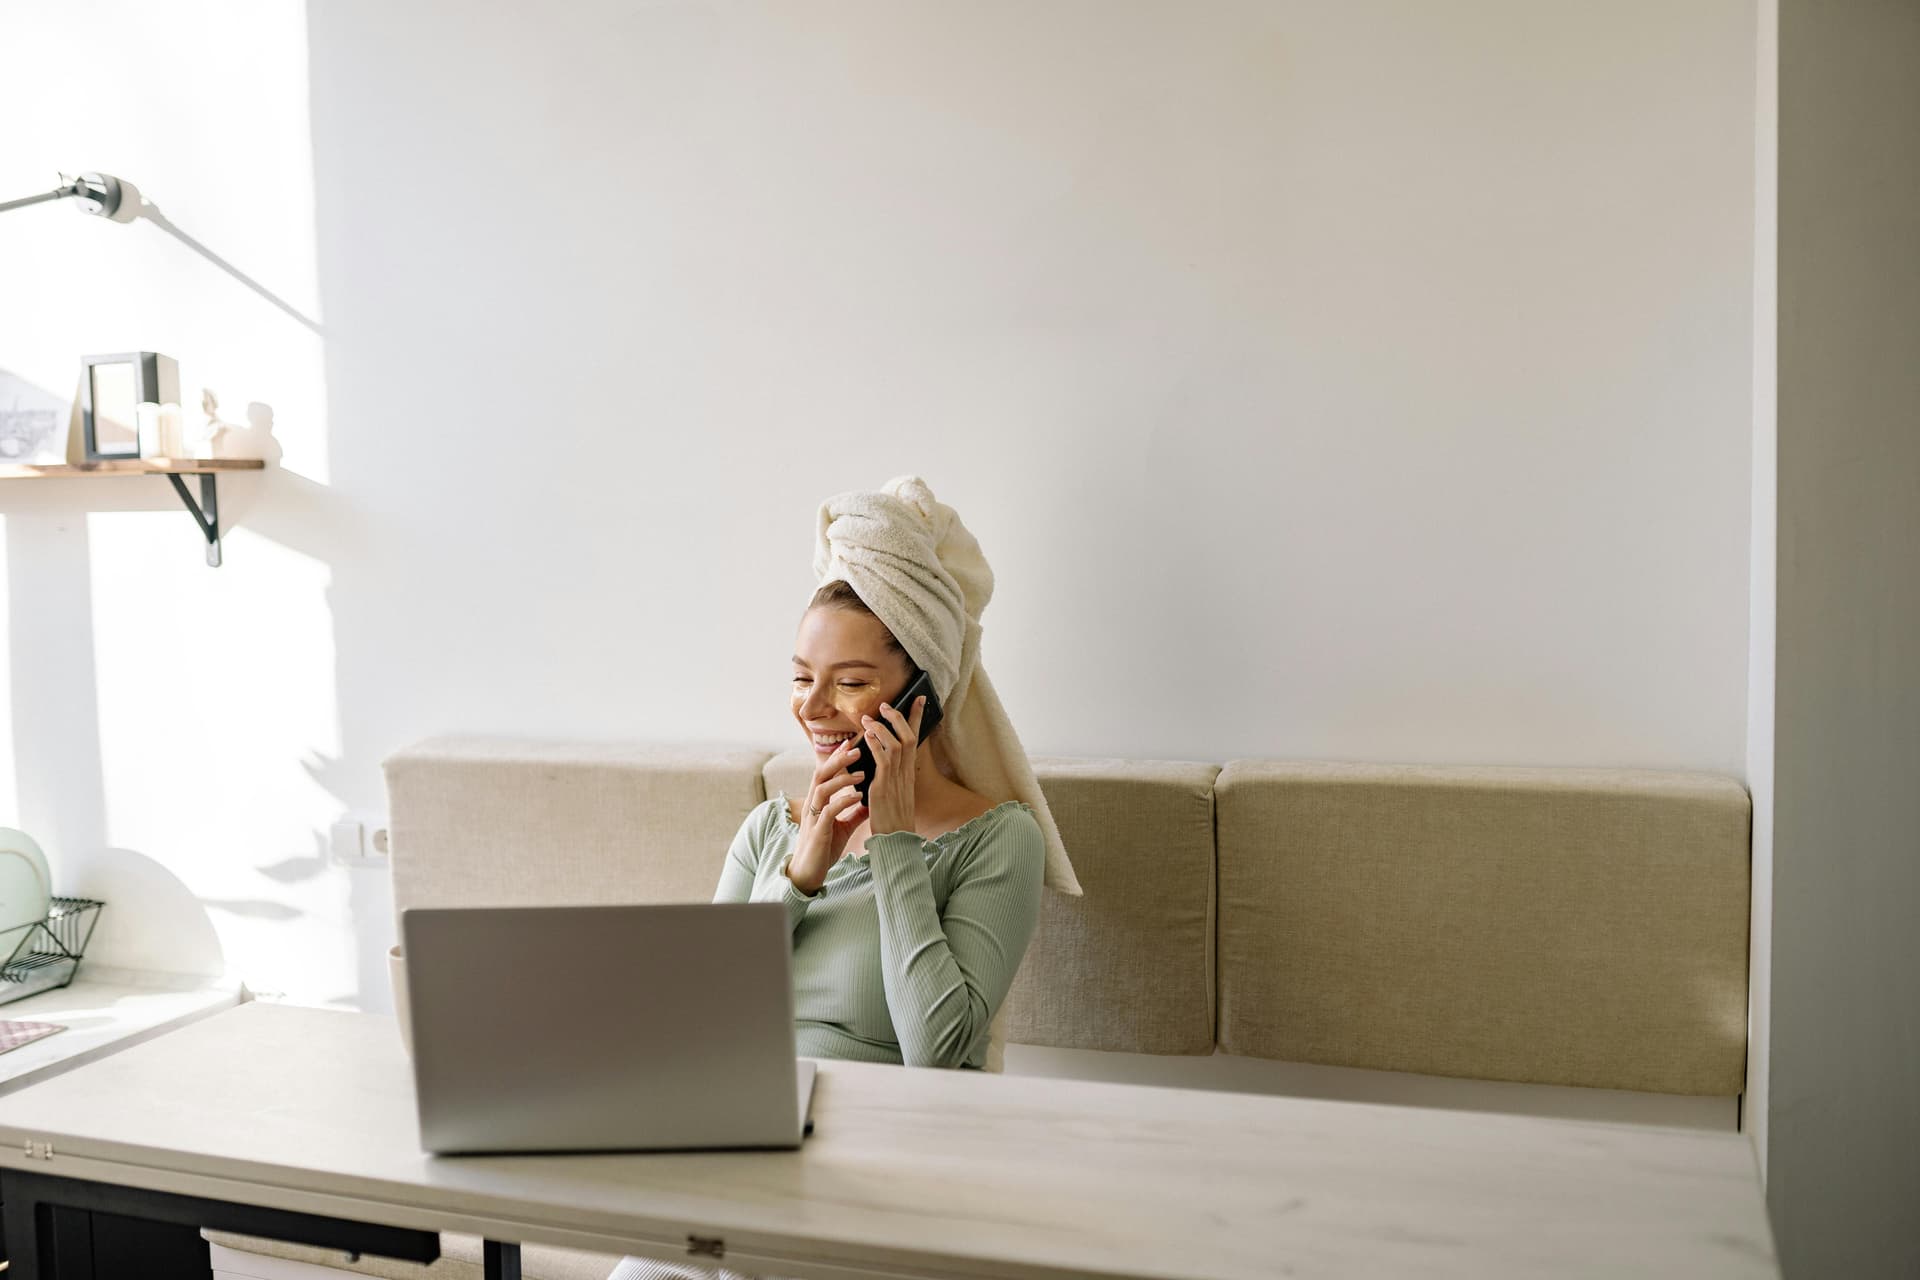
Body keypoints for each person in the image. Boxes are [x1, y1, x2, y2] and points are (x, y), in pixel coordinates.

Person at [607, 476, 1080, 1280]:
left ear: (920, 697)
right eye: (801, 677)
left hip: (879, 1169)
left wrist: (892, 843)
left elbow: (937, 1054)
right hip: (736, 1153)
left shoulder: (996, 841)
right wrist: (797, 877)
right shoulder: (770, 831)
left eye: (850, 682)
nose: (814, 708)